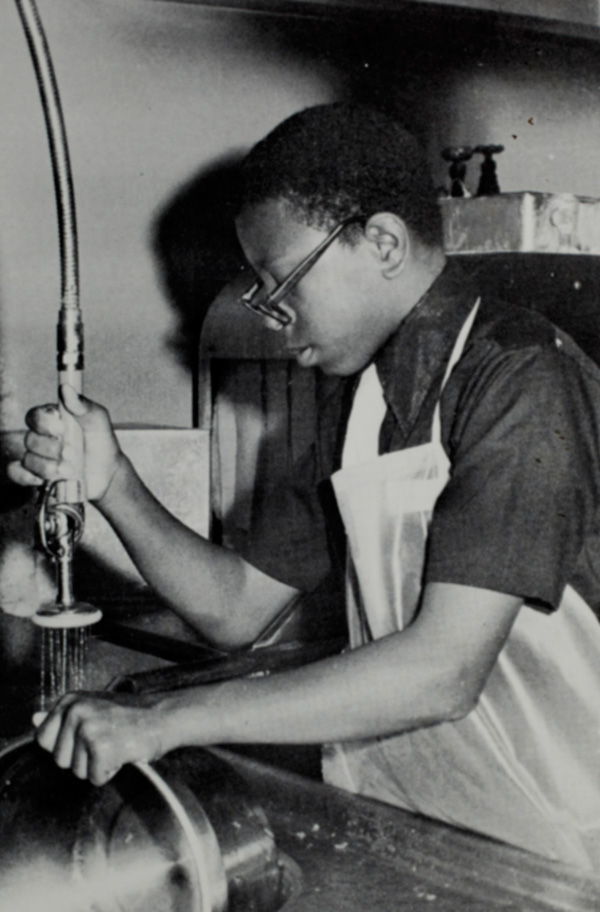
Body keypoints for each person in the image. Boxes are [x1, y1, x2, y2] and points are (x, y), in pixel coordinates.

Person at [8, 103, 600, 872]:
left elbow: (443, 672)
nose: (271, 315)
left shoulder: (520, 378)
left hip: (565, 846)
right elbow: (235, 609)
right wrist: (113, 482)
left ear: (382, 243)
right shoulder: (353, 401)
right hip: (418, 829)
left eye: (279, 279)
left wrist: (165, 718)